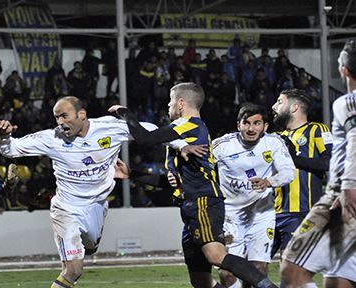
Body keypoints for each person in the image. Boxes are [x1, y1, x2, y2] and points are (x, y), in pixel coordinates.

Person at [108, 82, 278, 288]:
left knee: (216, 256)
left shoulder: (190, 125)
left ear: (180, 104)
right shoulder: (183, 137)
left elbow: (145, 138)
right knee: (200, 280)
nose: (168, 107)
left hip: (203, 202)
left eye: (170, 102)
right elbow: (174, 183)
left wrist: (127, 114)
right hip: (190, 206)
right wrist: (132, 174)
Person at [0, 96, 158, 288]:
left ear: (82, 114)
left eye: (64, 116)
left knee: (91, 248)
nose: (60, 122)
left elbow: (151, 131)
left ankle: (88, 245)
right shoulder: (51, 138)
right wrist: (3, 136)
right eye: (57, 118)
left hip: (97, 205)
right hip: (66, 208)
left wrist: (182, 144)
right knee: (73, 270)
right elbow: (10, 150)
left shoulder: (109, 127)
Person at [280, 39, 356, 288]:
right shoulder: (279, 137)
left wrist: (346, 186)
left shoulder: (346, 104)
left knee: (292, 269)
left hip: (343, 196)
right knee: (338, 280)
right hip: (335, 193)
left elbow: (351, 142)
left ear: (343, 69)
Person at [212, 103, 295, 288]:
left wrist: (269, 182)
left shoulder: (273, 143)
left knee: (258, 268)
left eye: (257, 123)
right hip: (229, 215)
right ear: (238, 125)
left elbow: (289, 172)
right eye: (246, 123)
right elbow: (202, 167)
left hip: (261, 213)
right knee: (226, 271)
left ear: (265, 126)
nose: (251, 128)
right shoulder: (222, 145)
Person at [270, 88, 333, 259]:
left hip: (301, 212)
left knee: (289, 267)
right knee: (252, 266)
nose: (274, 107)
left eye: (279, 102)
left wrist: (295, 160)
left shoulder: (317, 130)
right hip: (270, 212)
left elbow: (330, 162)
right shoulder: (275, 137)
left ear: (294, 107)